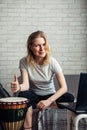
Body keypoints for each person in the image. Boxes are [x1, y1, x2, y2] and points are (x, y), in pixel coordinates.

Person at [11, 30, 69, 130]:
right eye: (37, 45)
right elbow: (26, 85)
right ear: (30, 47)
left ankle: (45, 104)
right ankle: (28, 128)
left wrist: (48, 101)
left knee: (69, 98)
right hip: (34, 95)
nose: (42, 49)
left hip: (49, 95)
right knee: (23, 96)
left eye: (44, 44)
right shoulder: (24, 62)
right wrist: (19, 87)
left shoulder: (52, 61)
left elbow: (64, 88)